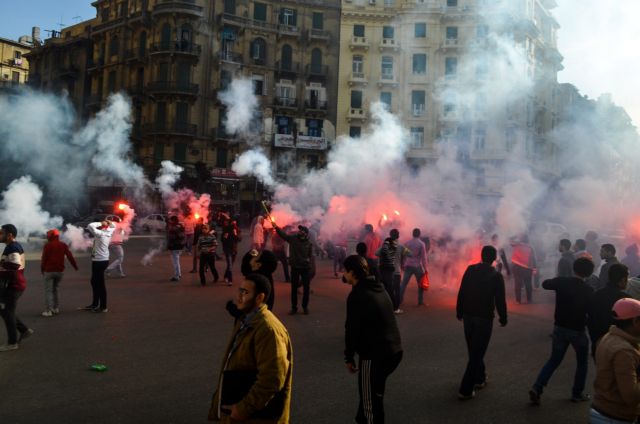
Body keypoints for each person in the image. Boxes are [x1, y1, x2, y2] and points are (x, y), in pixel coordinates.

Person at [208, 274, 293, 423]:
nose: (239, 296)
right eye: (240, 290)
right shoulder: (246, 320)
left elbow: (272, 379)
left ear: (260, 298)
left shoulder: (268, 330)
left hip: (256, 416)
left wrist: (243, 409)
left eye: (245, 293)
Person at [343, 254, 403, 424]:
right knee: (374, 394)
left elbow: (351, 329)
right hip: (394, 351)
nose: (343, 274)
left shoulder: (358, 295)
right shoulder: (378, 286)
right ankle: (362, 418)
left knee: (369, 401)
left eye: (345, 271)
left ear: (353, 273)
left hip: (375, 355)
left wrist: (349, 357)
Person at [529, 257, 595, 405]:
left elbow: (545, 284)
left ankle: (537, 387)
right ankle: (577, 393)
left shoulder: (562, 282)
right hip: (578, 330)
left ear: (574, 268)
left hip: (559, 328)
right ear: (589, 273)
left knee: (554, 360)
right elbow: (591, 312)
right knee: (582, 363)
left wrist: (556, 280)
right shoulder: (588, 290)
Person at [456, 246, 507, 400]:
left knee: (474, 350)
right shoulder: (496, 276)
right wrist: (503, 318)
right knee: (477, 353)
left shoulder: (470, 269)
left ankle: (480, 378)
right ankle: (465, 389)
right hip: (484, 318)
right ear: (493, 258)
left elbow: (462, 290)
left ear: (481, 256)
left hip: (468, 316)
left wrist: (459, 311)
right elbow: (500, 300)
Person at [590, 298, 640, 423]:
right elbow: (631, 396)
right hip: (615, 416)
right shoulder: (624, 351)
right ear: (635, 321)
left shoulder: (609, 336)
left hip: (601, 410)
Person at [0, 224, 34, 351]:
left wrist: (2, 264)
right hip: (12, 285)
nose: (0, 235)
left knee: (7, 312)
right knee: (5, 311)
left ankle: (12, 342)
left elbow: (15, 265)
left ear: (9, 235)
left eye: (1, 233)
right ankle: (24, 330)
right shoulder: (11, 246)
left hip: (14, 286)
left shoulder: (13, 247)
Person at [587, 264, 630, 358]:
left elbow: (590, 319)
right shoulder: (624, 299)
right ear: (623, 280)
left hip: (598, 344)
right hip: (618, 348)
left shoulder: (596, 294)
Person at [274, 224, 313, 315]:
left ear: (306, 233)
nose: (299, 231)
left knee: (306, 289)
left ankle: (305, 307)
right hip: (295, 267)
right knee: (294, 289)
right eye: (299, 230)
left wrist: (307, 261)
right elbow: (283, 235)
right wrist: (276, 227)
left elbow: (310, 255)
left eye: (302, 230)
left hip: (305, 268)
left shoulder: (309, 243)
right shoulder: (293, 239)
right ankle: (294, 308)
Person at [79, 220, 116, 313]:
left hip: (99, 261)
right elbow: (113, 225)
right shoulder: (109, 231)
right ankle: (95, 304)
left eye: (101, 226)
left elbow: (90, 225)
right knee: (94, 282)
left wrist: (100, 222)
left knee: (100, 284)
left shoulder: (100, 233)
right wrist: (107, 222)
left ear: (103, 227)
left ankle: (103, 307)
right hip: (100, 260)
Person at [40, 229, 78, 317]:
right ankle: (56, 308)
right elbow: (70, 256)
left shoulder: (48, 245)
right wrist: (75, 266)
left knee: (48, 291)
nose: (47, 237)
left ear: (51, 236)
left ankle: (48, 311)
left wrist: (42, 270)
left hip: (49, 271)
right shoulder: (63, 245)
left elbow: (44, 259)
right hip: (59, 271)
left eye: (48, 235)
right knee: (55, 289)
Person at [399, 228, 428, 307]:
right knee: (420, 284)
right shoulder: (421, 244)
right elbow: (424, 257)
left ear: (412, 234)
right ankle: (420, 301)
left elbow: (403, 254)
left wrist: (402, 264)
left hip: (408, 265)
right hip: (417, 266)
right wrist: (426, 269)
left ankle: (399, 300)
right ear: (419, 234)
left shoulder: (408, 243)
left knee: (403, 284)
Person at [510, 234, 537, 304]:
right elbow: (534, 259)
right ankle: (529, 299)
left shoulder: (516, 245)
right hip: (528, 268)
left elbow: (510, 242)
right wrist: (534, 268)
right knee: (528, 284)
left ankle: (518, 300)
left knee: (517, 284)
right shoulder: (530, 247)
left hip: (517, 267)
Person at [221, 219, 240, 286]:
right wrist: (225, 236)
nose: (234, 225)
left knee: (230, 264)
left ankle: (226, 276)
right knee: (229, 265)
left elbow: (239, 239)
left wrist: (235, 234)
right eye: (233, 223)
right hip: (228, 250)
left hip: (234, 250)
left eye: (235, 223)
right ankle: (230, 280)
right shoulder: (226, 230)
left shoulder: (237, 229)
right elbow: (223, 240)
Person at [166, 216, 186, 282]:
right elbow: (183, 236)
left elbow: (171, 238)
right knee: (177, 261)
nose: (169, 221)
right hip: (180, 246)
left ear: (173, 220)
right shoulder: (180, 226)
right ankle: (178, 274)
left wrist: (168, 246)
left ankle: (177, 276)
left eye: (171, 220)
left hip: (175, 246)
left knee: (175, 262)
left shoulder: (173, 228)